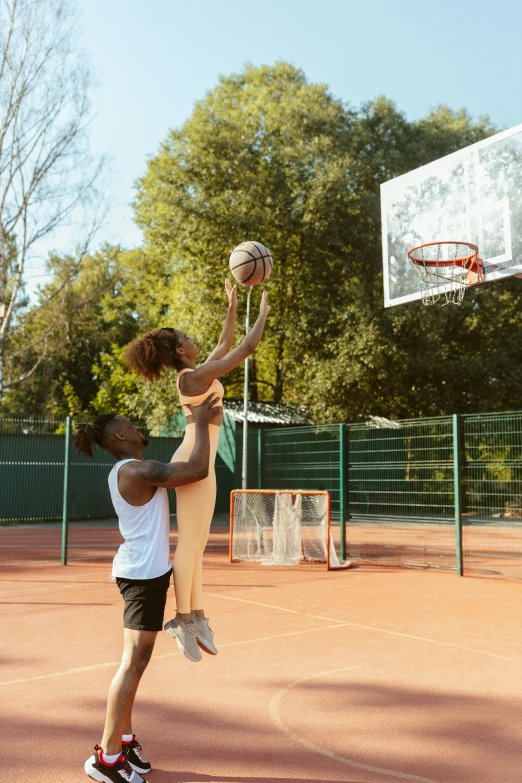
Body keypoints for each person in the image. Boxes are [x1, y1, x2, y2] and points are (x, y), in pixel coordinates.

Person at [73, 395, 222, 783]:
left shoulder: (132, 468)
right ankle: (105, 759)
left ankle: (124, 741)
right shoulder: (135, 470)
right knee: (133, 663)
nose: (139, 427)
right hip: (141, 576)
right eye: (131, 424)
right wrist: (202, 422)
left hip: (147, 574)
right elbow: (198, 469)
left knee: (136, 663)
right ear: (121, 435)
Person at [125, 281, 270, 662]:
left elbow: (225, 345)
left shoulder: (197, 372)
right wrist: (264, 313)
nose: (194, 341)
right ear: (178, 350)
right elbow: (245, 348)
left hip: (199, 454)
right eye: (187, 338)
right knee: (189, 542)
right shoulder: (190, 379)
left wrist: (233, 304)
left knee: (200, 542)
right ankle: (181, 618)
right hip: (193, 455)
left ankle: (198, 615)